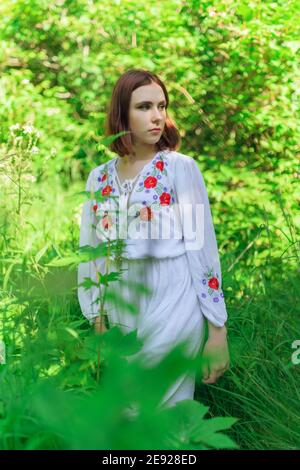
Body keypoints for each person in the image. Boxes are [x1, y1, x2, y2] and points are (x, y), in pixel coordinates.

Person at [78, 68, 230, 411]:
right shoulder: (98, 177)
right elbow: (91, 252)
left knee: (160, 410)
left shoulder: (180, 167)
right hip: (120, 300)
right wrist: (97, 322)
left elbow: (201, 248)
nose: (157, 116)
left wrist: (217, 330)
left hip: (174, 294)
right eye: (144, 107)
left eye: (162, 106)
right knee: (126, 412)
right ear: (121, 113)